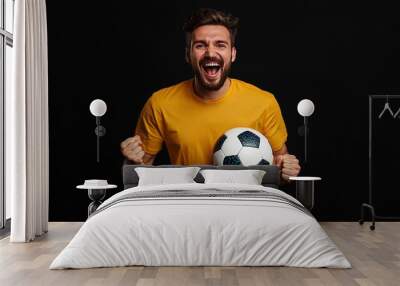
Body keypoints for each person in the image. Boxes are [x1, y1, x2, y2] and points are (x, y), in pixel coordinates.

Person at [120, 8, 300, 182]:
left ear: (233, 54)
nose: (210, 53)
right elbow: (140, 174)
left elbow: (280, 169)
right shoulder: (160, 103)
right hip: (187, 205)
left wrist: (287, 171)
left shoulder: (264, 102)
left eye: (220, 45)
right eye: (200, 45)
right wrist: (131, 161)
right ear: (188, 55)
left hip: (245, 206)